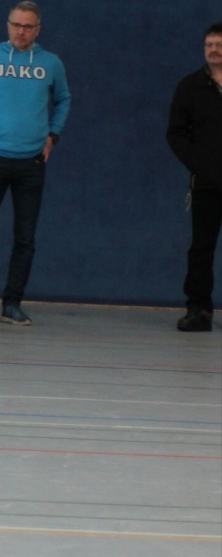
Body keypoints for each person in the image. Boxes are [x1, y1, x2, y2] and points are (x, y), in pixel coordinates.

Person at [0, 1, 70, 325]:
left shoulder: (51, 63)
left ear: (38, 29)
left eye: (28, 26)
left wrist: (53, 135)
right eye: (16, 25)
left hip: (31, 163)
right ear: (8, 25)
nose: (21, 31)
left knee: (25, 238)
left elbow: (63, 100)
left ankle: (12, 304)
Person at [167, 23, 222, 333]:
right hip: (207, 183)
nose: (214, 50)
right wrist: (200, 165)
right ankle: (198, 311)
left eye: (220, 44)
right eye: (209, 45)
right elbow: (175, 133)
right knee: (202, 248)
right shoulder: (190, 87)